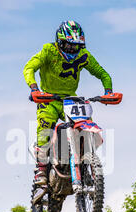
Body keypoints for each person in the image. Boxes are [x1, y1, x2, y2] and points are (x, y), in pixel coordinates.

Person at [23, 20, 113, 185]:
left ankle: (85, 159)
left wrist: (108, 92)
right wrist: (34, 88)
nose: (72, 49)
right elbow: (29, 68)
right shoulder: (48, 51)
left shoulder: (83, 55)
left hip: (71, 99)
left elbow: (102, 74)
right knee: (46, 126)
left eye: (76, 46)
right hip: (48, 98)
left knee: (86, 126)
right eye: (69, 45)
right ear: (60, 42)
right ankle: (41, 170)